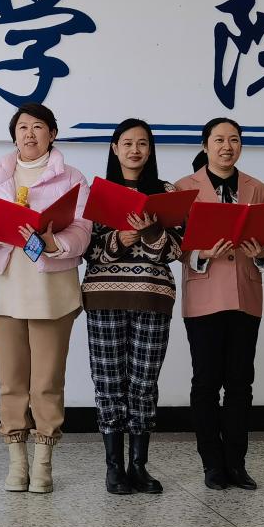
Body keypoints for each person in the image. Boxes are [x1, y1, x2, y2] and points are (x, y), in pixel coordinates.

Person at [0, 102, 91, 493]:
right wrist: (0, 230)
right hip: (6, 288)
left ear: (52, 134)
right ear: (14, 135)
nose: (29, 134)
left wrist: (54, 241)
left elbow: (83, 230)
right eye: (22, 127)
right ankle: (17, 463)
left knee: (47, 381)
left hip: (51, 291)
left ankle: (43, 462)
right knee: (10, 380)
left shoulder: (72, 177)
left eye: (38, 126)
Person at [82, 118, 183, 495]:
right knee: (109, 382)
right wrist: (119, 240)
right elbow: (86, 251)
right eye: (127, 143)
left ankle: (138, 466)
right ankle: (114, 468)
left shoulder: (167, 192)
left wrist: (152, 231)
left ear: (150, 149)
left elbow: (177, 250)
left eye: (142, 143)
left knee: (144, 383)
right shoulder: (98, 193)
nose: (135, 150)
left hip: (152, 296)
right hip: (104, 296)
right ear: (115, 148)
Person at [175, 117, 264, 491]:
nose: (226, 147)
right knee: (205, 382)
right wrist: (201, 254)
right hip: (204, 296)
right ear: (205, 146)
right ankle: (212, 465)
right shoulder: (184, 188)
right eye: (218, 140)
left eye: (234, 139)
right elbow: (175, 246)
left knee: (240, 383)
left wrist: (262, 252)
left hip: (246, 296)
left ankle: (236, 463)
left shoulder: (257, 188)